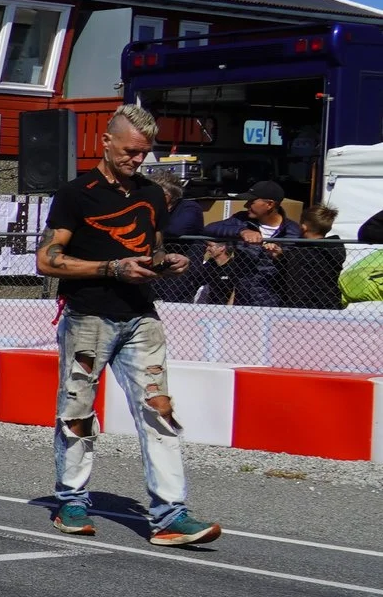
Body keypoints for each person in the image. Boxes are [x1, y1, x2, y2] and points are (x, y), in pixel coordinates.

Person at [36, 105, 216, 546]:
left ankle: (171, 515)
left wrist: (169, 263)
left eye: (144, 153)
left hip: (141, 316)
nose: (137, 159)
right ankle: (72, 501)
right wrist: (112, 268)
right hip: (89, 317)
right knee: (77, 412)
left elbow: (151, 249)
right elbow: (46, 260)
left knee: (161, 414)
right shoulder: (76, 193)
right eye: (131, 151)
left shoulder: (153, 194)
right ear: (107, 142)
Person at [200, 180, 302, 307]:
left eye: (251, 202)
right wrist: (241, 231)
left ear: (269, 204)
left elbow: (297, 267)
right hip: (242, 298)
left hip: (273, 301)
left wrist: (280, 256)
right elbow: (209, 228)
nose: (246, 205)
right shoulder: (242, 219)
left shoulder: (292, 230)